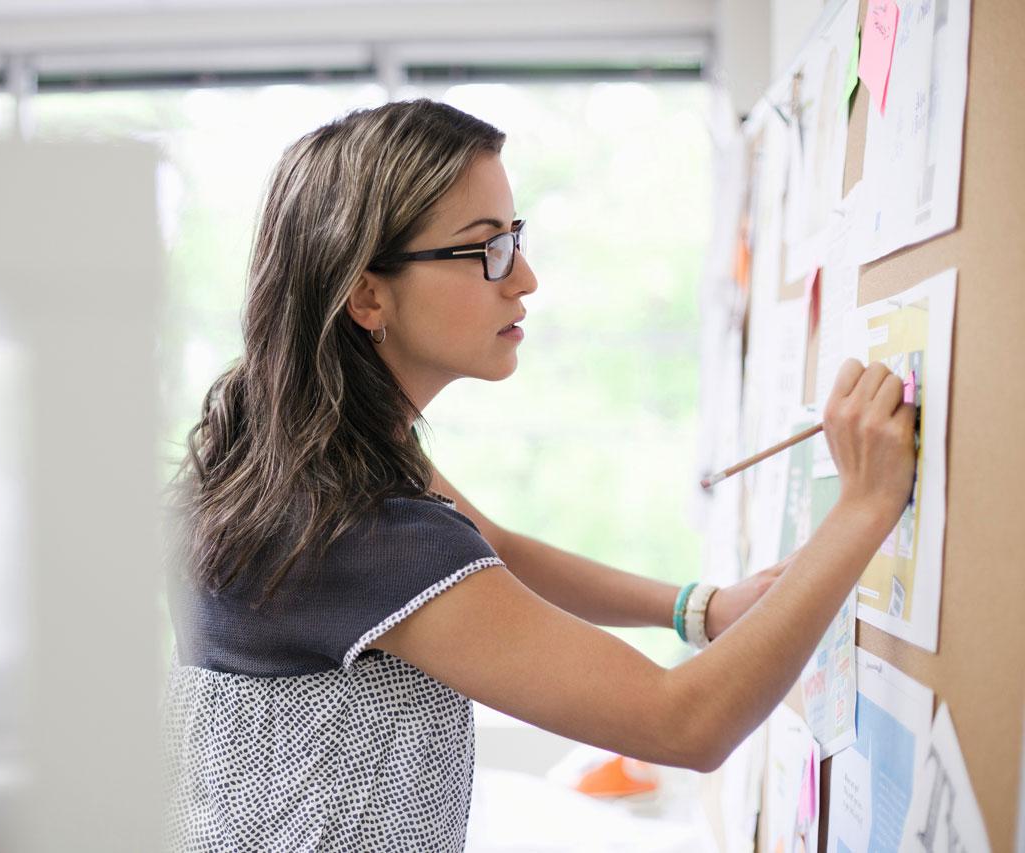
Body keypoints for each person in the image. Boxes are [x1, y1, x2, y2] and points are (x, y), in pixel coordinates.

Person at [159, 98, 916, 852]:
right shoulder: (358, 533)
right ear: (367, 294)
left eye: (514, 238)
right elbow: (687, 719)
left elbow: (492, 548)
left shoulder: (289, 453)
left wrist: (698, 609)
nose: (524, 278)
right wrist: (864, 505)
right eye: (484, 249)